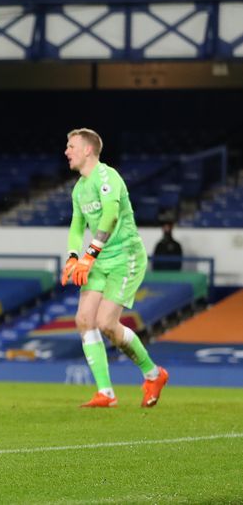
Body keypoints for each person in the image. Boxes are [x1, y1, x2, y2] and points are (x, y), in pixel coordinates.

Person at [61, 128, 168, 409]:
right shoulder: (80, 188)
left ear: (87, 150)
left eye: (71, 146)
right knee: (84, 319)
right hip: (99, 259)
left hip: (125, 256)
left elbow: (109, 216)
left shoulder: (108, 177)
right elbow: (76, 225)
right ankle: (106, 393)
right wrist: (74, 256)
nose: (66, 151)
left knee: (106, 323)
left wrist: (90, 254)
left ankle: (154, 374)